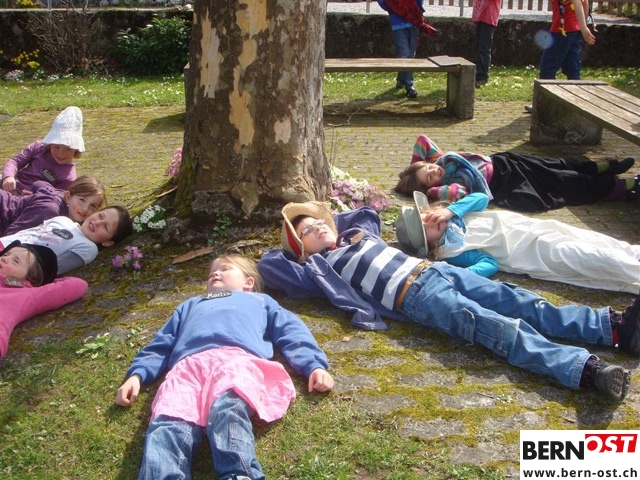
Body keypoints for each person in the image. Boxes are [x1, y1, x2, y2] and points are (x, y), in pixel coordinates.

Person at [258, 200, 640, 401]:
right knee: (499, 329)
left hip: (438, 271)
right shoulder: (319, 271)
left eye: (319, 222)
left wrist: (329, 223)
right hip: (418, 298)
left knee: (521, 300)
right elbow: (271, 266)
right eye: (306, 231)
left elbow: (366, 213)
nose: (317, 227)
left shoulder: (359, 234)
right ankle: (584, 370)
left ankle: (613, 329)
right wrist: (298, 247)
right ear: (300, 248)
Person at [116, 254, 333, 480]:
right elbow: (162, 343)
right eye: (212, 272)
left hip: (235, 361)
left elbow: (291, 331)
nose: (215, 273)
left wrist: (313, 365)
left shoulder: (260, 301)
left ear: (248, 282)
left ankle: (239, 474)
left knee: (228, 410)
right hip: (187, 368)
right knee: (168, 421)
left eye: (225, 269)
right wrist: (137, 375)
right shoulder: (189, 305)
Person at [395, 190, 640, 294]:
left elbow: (481, 197)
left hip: (535, 229)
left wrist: (451, 211)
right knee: (591, 257)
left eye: (425, 216)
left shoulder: (458, 213)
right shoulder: (452, 251)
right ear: (429, 245)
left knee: (601, 242)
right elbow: (488, 262)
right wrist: (465, 275)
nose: (430, 222)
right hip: (532, 251)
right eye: (424, 229)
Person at [394, 133, 639, 212]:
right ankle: (625, 187)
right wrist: (430, 191)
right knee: (564, 182)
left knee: (556, 164)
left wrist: (414, 169)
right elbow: (456, 193)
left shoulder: (442, 160)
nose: (434, 170)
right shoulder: (452, 183)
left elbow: (422, 140)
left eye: (429, 167)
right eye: (430, 177)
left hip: (506, 162)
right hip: (509, 181)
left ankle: (605, 167)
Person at [0, 240, 88, 359]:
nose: (5, 258)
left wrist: (40, 284)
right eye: (6, 254)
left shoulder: (28, 293)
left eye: (16, 261)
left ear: (30, 279)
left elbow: (78, 285)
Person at [0, 205, 133, 275]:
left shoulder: (88, 247)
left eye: (105, 226)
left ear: (107, 242)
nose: (97, 222)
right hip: (5, 243)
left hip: (13, 263)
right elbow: (29, 232)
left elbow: (53, 268)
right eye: (100, 216)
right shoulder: (63, 219)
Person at [524, 0, 596, 112]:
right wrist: (583, 26)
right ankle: (577, 103)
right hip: (574, 30)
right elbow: (585, 2)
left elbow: (577, 2)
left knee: (547, 67)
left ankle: (544, 105)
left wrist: (583, 27)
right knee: (572, 68)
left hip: (562, 31)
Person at [1, 106, 85, 196]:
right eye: (56, 147)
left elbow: (57, 197)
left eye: (68, 149)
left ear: (76, 149)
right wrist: (8, 177)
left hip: (31, 199)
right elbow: (14, 162)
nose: (61, 153)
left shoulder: (69, 177)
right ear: (51, 143)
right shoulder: (38, 147)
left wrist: (36, 196)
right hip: (13, 185)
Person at [0, 175, 106, 236]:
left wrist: (37, 195)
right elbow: (11, 235)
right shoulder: (50, 211)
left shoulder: (59, 194)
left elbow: (38, 184)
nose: (85, 209)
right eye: (82, 200)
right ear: (68, 197)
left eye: (93, 205)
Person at [377, 0, 437, 98]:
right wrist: (393, 7)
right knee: (405, 54)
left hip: (415, 22)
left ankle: (401, 80)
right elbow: (383, 2)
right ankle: (409, 86)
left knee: (410, 54)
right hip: (399, 24)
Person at [472, 0, 501, 88]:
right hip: (480, 15)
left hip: (489, 16)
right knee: (478, 47)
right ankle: (477, 73)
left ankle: (482, 76)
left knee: (484, 48)